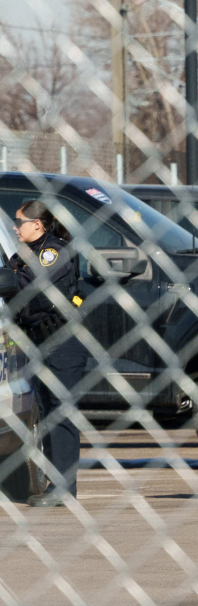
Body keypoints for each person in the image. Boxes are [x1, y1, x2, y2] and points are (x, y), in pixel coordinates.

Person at [8, 200, 85, 507]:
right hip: (38, 341)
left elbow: (27, 284)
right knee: (47, 410)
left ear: (37, 224)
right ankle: (58, 483)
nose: (16, 227)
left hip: (62, 342)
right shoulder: (24, 254)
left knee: (60, 411)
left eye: (20, 221)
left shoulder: (54, 252)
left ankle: (65, 488)